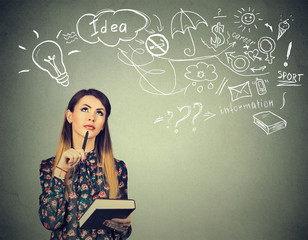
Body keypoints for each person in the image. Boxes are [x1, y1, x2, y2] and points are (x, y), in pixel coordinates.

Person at [39, 89, 132, 240]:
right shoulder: (50, 166)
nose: (92, 117)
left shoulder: (118, 168)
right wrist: (60, 171)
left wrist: (124, 225)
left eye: (99, 113)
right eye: (85, 109)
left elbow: (122, 233)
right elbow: (51, 222)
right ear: (69, 115)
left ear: (103, 124)